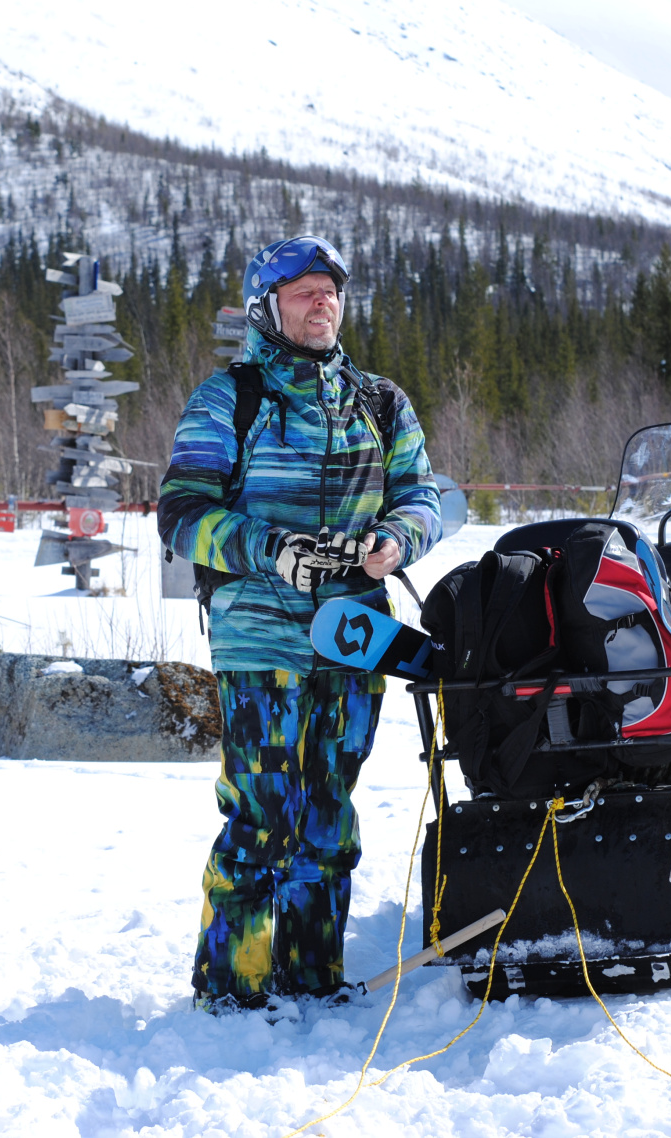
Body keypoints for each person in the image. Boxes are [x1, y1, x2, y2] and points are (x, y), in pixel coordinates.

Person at [157, 235, 442, 1010]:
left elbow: (422, 494)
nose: (323, 302)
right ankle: (234, 990)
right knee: (263, 814)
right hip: (260, 631)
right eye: (304, 291)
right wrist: (268, 549)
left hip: (355, 634)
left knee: (329, 815)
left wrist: (397, 540)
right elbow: (182, 513)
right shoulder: (230, 398)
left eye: (331, 290)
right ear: (267, 308)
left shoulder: (379, 401)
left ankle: (312, 978)